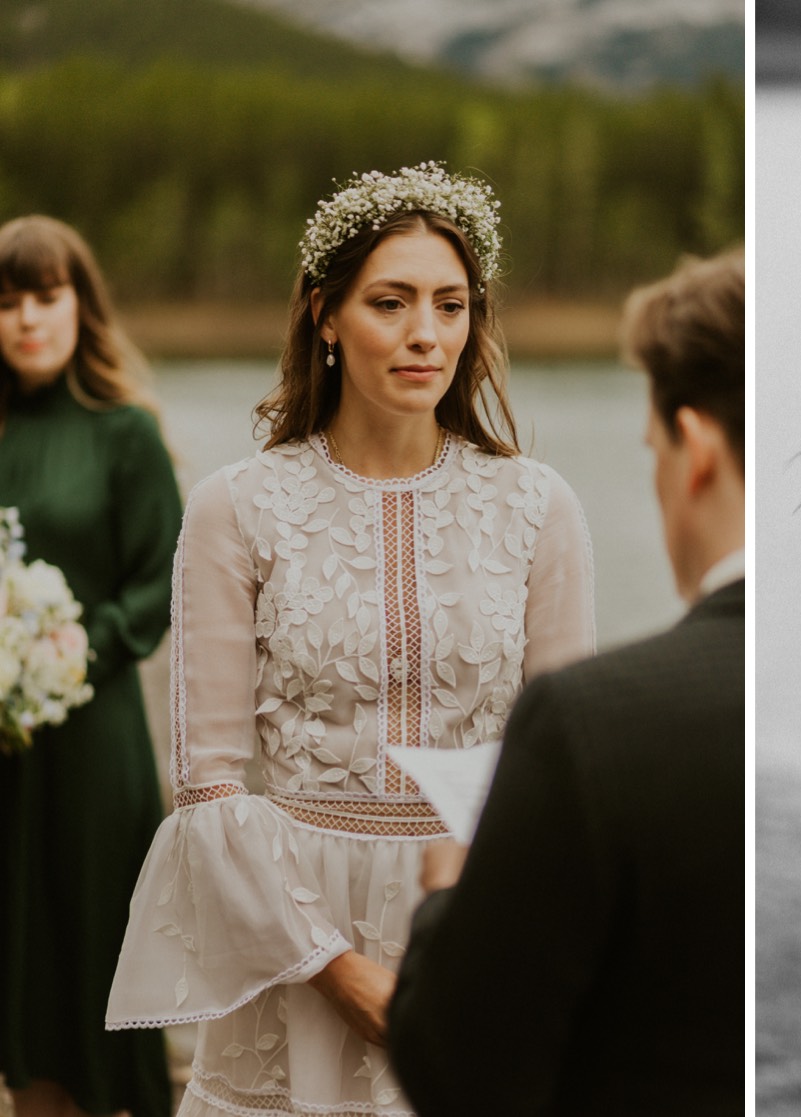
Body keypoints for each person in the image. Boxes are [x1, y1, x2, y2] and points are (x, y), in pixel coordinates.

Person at [104, 163, 595, 1116]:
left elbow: (564, 773)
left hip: (474, 932)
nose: (426, 333)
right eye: (392, 302)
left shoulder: (540, 506)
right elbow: (207, 785)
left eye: (451, 305)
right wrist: (335, 969)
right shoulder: (235, 508)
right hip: (288, 942)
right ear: (326, 315)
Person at [388, 249, 744, 1115]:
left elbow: (456, 1066)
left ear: (693, 449)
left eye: (653, 446)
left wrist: (447, 890)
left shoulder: (592, 724)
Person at [0, 216, 180, 1117]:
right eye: (5, 302)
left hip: (92, 736)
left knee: (93, 960)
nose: (27, 318)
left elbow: (159, 581)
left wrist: (68, 652)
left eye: (46, 295)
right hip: (2, 748)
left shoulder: (126, 434)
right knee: (19, 975)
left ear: (82, 304)